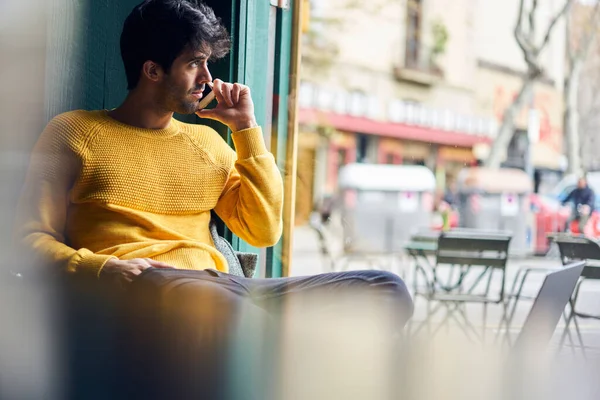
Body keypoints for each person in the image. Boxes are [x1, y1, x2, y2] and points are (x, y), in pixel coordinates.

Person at [14, 0, 413, 397]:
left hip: (224, 285)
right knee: (230, 315)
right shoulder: (74, 132)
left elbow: (263, 230)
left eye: (208, 63)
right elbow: (29, 239)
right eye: (194, 63)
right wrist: (103, 269)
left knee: (385, 290)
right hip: (148, 283)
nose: (209, 77)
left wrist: (246, 128)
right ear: (152, 70)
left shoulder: (207, 143)